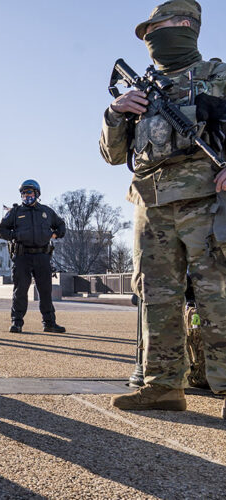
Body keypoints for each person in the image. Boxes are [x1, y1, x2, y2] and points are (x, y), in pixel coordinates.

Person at [100, 0, 226, 419]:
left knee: (216, 295)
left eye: (159, 27)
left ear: (187, 25)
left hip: (205, 199)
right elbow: (113, 155)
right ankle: (162, 386)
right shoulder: (141, 88)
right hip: (150, 206)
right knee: (156, 297)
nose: (151, 37)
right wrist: (116, 113)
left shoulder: (218, 76)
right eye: (147, 32)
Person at [0, 180, 67, 334]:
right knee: (20, 291)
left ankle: (49, 323)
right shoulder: (15, 213)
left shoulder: (47, 212)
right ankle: (17, 323)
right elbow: (0, 230)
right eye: (24, 193)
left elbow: (61, 226)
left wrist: (54, 234)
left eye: (29, 192)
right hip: (22, 256)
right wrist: (16, 235)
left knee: (45, 291)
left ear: (37, 194)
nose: (26, 195)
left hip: (42, 256)